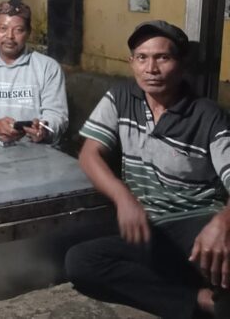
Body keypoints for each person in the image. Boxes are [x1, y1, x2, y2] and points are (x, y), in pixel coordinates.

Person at [65, 20, 230, 318]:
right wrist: (123, 198)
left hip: (196, 221)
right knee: (80, 262)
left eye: (162, 58)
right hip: (150, 228)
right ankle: (201, 301)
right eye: (142, 58)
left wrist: (221, 224)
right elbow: (90, 153)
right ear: (132, 63)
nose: (151, 68)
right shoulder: (120, 98)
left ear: (181, 65)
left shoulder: (207, 116)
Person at [0, 0, 68, 144]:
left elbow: (57, 115)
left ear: (28, 33)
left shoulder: (48, 68)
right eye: (3, 28)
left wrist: (44, 129)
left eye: (18, 30)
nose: (10, 36)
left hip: (34, 150)